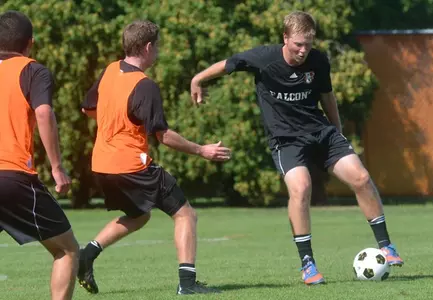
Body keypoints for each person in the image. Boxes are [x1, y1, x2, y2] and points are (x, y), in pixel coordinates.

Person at [190, 11, 403, 285]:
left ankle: (386, 245)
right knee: (301, 188)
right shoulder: (264, 59)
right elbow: (228, 64)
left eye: (308, 44)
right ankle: (308, 264)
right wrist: (198, 79)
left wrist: (336, 130)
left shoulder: (318, 61)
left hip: (321, 132)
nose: (303, 51)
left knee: (360, 177)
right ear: (285, 38)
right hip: (286, 140)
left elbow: (327, 96)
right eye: (298, 44)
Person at [78, 20, 230, 295]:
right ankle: (188, 284)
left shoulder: (110, 71)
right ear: (148, 47)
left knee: (138, 215)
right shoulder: (144, 85)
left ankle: (86, 255)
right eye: (157, 46)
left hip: (101, 164)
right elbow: (164, 136)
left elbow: (88, 108)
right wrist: (202, 150)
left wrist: (115, 124)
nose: (157, 51)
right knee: (185, 214)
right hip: (130, 164)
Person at [0, 10, 79, 300]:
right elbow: (43, 112)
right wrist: (57, 167)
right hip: (11, 177)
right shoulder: (33, 70)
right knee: (67, 249)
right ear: (29, 43)